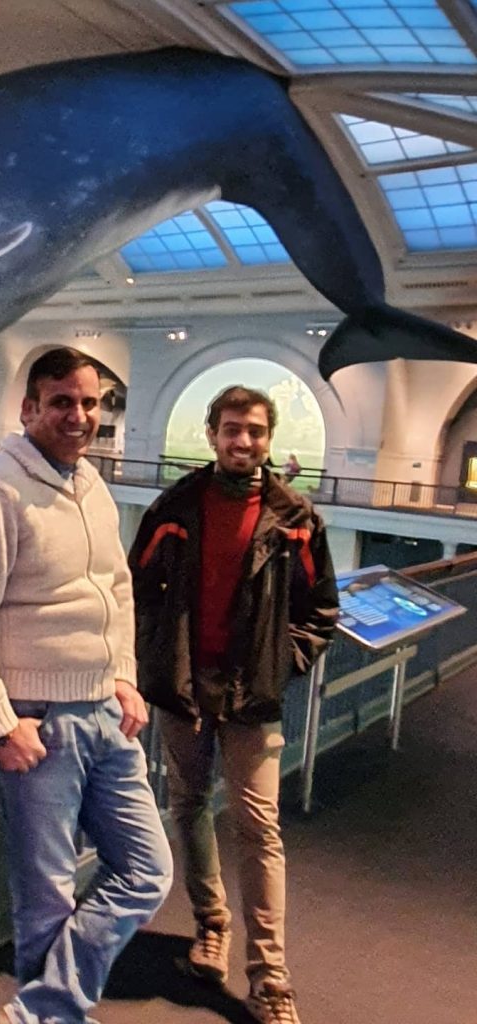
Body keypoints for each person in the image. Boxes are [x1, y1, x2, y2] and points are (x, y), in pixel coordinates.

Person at [0, 347, 172, 1024]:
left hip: (105, 713)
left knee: (147, 870)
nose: (79, 415)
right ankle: (51, 1017)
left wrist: (123, 675)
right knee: (48, 894)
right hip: (38, 719)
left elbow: (116, 590)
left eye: (91, 402)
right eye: (62, 401)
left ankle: (40, 1010)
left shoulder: (92, 484)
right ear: (28, 408)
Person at [128, 385, 338, 1024]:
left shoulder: (296, 518)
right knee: (189, 804)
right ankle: (211, 924)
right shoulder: (174, 506)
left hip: (253, 698)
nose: (242, 441)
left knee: (259, 829)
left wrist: (279, 666)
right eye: (231, 429)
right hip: (184, 691)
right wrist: (157, 662)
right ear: (212, 434)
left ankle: (270, 976)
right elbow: (136, 591)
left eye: (254, 430)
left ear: (268, 438)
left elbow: (320, 610)